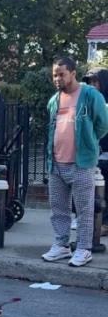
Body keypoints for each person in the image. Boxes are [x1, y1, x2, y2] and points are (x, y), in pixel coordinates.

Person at [42, 56, 108, 267]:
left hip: (81, 162)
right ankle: (61, 245)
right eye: (54, 75)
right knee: (58, 208)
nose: (57, 79)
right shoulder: (54, 100)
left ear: (72, 73)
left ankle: (83, 248)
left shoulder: (90, 95)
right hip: (56, 163)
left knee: (84, 208)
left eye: (61, 74)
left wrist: (90, 144)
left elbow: (102, 125)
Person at [83, 69, 108, 235]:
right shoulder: (88, 102)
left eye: (95, 82)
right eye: (90, 82)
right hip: (95, 153)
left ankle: (104, 222)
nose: (92, 85)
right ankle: (93, 221)